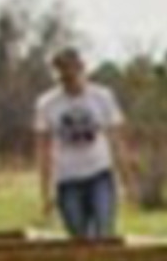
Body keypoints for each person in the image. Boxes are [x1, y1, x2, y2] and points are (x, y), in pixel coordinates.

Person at [34, 47, 132, 239]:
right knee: (79, 237)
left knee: (104, 232)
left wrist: (126, 179)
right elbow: (43, 150)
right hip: (68, 179)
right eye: (63, 78)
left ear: (81, 69)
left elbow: (117, 140)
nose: (69, 82)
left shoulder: (102, 97)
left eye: (72, 75)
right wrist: (45, 193)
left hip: (99, 174)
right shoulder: (47, 104)